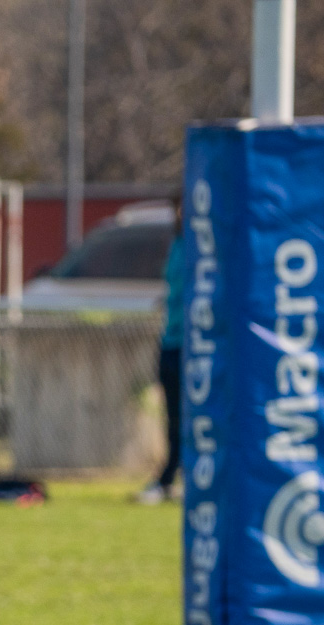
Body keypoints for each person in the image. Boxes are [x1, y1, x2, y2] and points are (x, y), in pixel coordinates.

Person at [138, 199, 184, 505]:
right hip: (171, 343)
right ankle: (167, 479)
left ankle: (189, 478)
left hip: (197, 348)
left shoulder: (205, 246)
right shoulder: (178, 245)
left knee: (196, 420)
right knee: (174, 418)